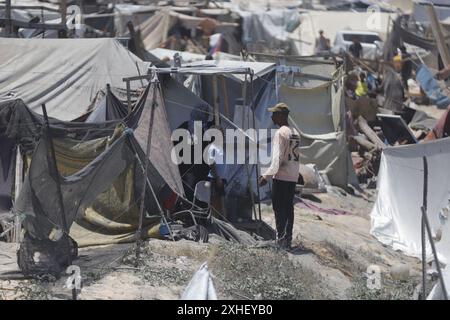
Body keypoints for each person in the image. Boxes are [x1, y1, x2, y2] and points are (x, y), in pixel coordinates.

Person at [259, 103, 300, 249]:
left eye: (274, 114)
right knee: (289, 208)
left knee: (279, 208)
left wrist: (266, 176)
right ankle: (287, 240)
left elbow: (277, 159)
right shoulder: (295, 132)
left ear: (281, 115)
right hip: (293, 176)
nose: (272, 116)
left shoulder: (280, 133)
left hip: (282, 176)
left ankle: (281, 240)